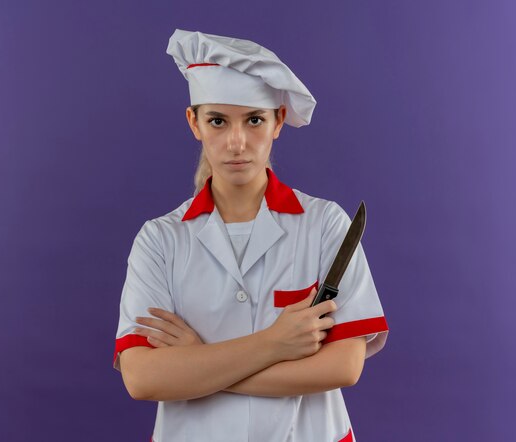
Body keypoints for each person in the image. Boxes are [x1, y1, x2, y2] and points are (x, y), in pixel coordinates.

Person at [113, 28, 389, 442]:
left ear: (279, 121)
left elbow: (344, 367)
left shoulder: (326, 225)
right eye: (218, 121)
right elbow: (142, 377)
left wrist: (195, 363)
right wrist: (275, 343)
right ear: (194, 123)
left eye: (254, 119)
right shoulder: (160, 240)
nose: (236, 142)